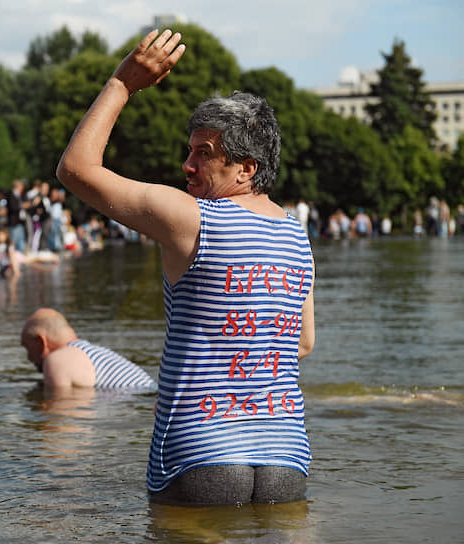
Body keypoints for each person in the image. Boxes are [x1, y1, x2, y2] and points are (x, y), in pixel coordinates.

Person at [55, 30, 315, 506]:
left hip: (200, 453)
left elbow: (76, 169)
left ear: (246, 169)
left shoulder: (191, 217)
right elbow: (301, 342)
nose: (187, 164)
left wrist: (122, 83)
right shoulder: (296, 233)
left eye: (204, 153)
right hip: (285, 457)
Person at [21, 308, 157, 392]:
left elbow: (60, 418)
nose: (28, 358)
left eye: (27, 347)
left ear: (41, 342)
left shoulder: (57, 361)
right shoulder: (92, 352)